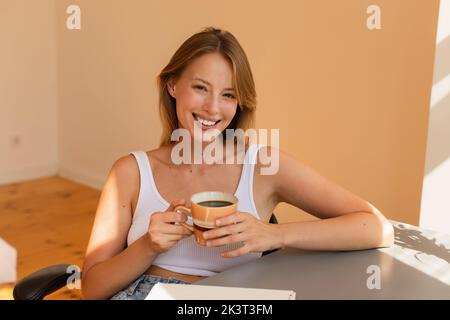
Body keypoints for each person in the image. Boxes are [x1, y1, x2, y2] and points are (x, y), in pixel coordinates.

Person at [80, 27, 394, 300]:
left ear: (239, 102)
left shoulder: (263, 165)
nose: (212, 108)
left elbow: (376, 228)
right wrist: (148, 246)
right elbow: (92, 288)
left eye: (228, 95)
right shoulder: (131, 172)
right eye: (200, 87)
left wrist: (274, 235)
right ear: (172, 86)